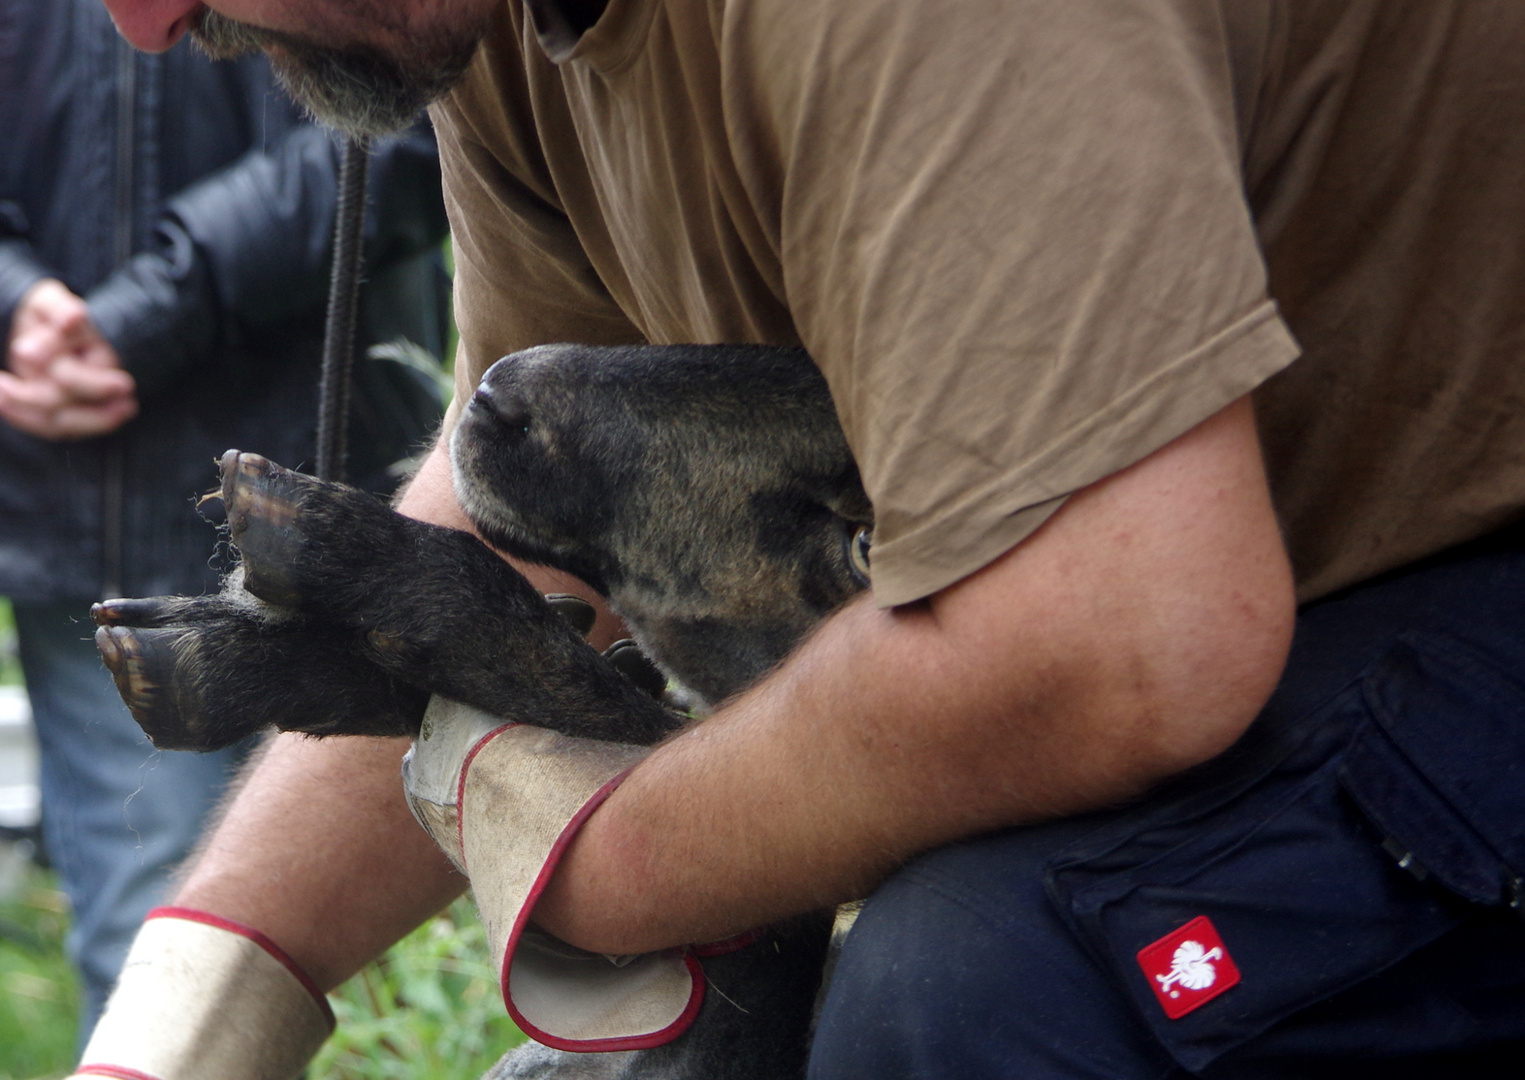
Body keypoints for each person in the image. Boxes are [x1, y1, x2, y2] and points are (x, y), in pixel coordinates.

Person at [79, 0, 1525, 1076]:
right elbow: (525, 506)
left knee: (969, 989)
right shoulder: (502, 31)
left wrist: (607, 863)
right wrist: (200, 1011)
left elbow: (1131, 640)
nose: (142, 27)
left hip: (1453, 586)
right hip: (1247, 609)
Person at [0, 0, 449, 1036]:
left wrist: (157, 306)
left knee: (371, 963)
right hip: (87, 511)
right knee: (154, 943)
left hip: (325, 500)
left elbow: (429, 113)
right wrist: (22, 302)